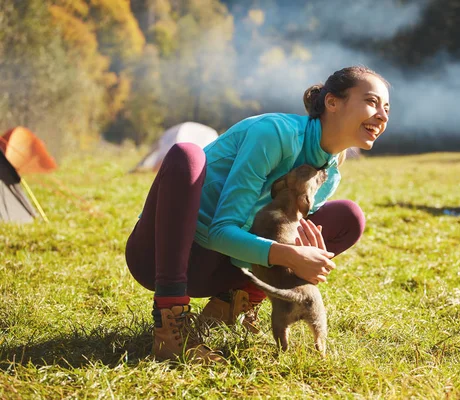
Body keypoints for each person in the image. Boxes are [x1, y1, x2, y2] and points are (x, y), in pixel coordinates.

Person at [125, 66, 390, 362]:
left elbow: (267, 238)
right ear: (332, 102)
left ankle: (233, 304)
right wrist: (288, 256)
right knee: (187, 155)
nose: (382, 115)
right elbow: (220, 230)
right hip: (161, 257)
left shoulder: (329, 174)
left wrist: (297, 252)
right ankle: (169, 330)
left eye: (387, 108)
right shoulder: (274, 134)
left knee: (348, 217)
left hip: (220, 270)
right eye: (372, 101)